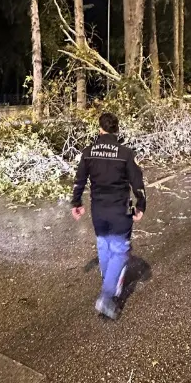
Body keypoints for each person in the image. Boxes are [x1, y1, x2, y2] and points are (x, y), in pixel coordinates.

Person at [71, 112, 146, 319]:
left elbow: (79, 180)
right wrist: (139, 207)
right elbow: (137, 184)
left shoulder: (88, 152)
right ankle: (106, 296)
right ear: (117, 130)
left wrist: (76, 203)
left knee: (103, 243)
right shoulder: (125, 153)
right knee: (121, 249)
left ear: (100, 130)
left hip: (98, 210)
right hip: (123, 207)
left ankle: (108, 278)